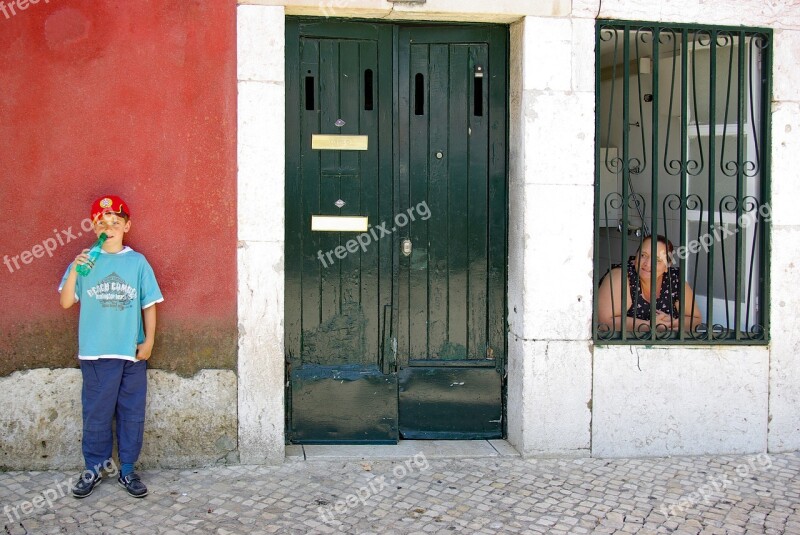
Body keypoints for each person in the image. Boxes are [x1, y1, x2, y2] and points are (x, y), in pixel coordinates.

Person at [59, 195, 163, 498]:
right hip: (96, 353)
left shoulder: (137, 262)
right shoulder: (86, 262)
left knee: (132, 412)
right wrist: (76, 271)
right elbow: (66, 301)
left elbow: (149, 304)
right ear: (94, 227)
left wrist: (150, 341)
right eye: (103, 223)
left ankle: (128, 469)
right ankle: (93, 467)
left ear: (127, 226)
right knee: (97, 413)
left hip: (131, 352)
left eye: (116, 222)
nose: (110, 226)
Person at [597, 235, 702, 333]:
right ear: (636, 257)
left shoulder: (674, 279)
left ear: (667, 266)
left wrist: (672, 323)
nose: (647, 264)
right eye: (643, 255)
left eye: (657, 260)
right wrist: (648, 326)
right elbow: (604, 322)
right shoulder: (620, 276)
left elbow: (696, 319)